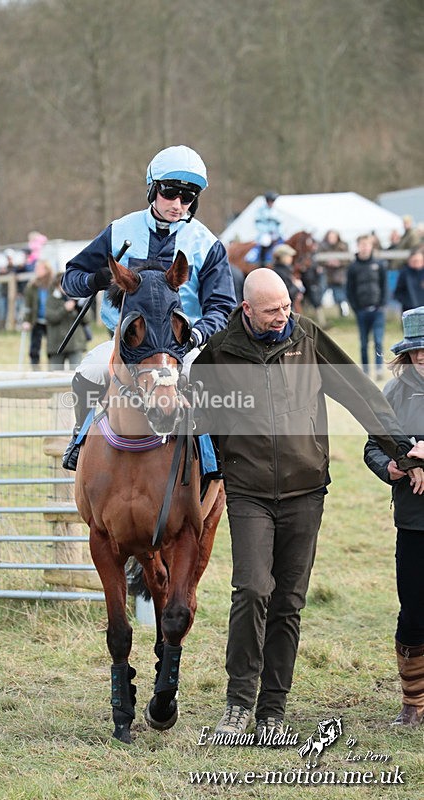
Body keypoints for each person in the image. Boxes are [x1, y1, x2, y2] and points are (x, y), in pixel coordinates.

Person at [190, 268, 424, 741]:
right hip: (249, 491)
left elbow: (360, 394)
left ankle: (273, 709)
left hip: (305, 490)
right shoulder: (218, 355)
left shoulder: (308, 339)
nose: (283, 316)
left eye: (287, 306)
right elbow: (198, 424)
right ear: (247, 310)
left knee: (288, 602)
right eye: (272, 310)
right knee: (253, 588)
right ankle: (238, 703)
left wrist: (403, 450)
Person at [60, 144, 236, 470]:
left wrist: (196, 335)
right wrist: (97, 278)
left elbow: (223, 306)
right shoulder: (119, 231)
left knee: (214, 382)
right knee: (88, 372)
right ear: (153, 189)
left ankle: (216, 462)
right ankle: (79, 440)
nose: (179, 204)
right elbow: (70, 279)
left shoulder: (206, 244)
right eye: (171, 193)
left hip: (183, 347)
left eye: (188, 197)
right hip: (129, 346)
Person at [364, 306, 424, 726]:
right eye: (417, 352)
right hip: (413, 520)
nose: (423, 359)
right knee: (414, 610)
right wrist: (393, 467)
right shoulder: (392, 395)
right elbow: (372, 446)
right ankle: (413, 704)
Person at [346, 234, 388, 380]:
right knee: (364, 343)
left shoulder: (379, 264)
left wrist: (382, 304)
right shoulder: (353, 267)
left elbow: (384, 286)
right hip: (362, 310)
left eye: (367, 244)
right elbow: (349, 289)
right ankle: (365, 371)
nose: (365, 247)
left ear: (371, 246)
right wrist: (356, 308)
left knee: (378, 341)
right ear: (358, 246)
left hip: (377, 310)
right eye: (362, 244)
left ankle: (379, 369)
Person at [46, 273, 88, 370]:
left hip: (75, 344)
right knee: (55, 376)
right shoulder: (51, 299)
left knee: (77, 373)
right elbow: (51, 317)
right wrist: (64, 309)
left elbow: (87, 319)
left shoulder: (78, 298)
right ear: (57, 285)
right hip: (56, 345)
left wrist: (79, 308)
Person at [22, 259, 54, 368]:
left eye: (38, 268)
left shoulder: (53, 284)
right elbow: (28, 306)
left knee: (52, 348)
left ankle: (53, 370)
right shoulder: (32, 286)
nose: (36, 270)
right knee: (34, 349)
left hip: (51, 321)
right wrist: (26, 320)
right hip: (37, 320)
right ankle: (35, 370)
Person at [246, 191, 283, 268]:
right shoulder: (261, 211)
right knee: (265, 241)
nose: (271, 203)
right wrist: (267, 230)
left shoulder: (276, 211)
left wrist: (278, 233)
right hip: (265, 233)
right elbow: (258, 224)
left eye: (272, 201)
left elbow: (280, 224)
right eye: (270, 201)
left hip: (275, 233)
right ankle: (262, 261)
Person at [317, 230, 350, 317]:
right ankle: (319, 313)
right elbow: (318, 259)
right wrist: (327, 263)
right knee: (320, 293)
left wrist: (339, 263)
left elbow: (348, 260)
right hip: (326, 274)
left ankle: (343, 312)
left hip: (338, 275)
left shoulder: (343, 246)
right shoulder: (322, 246)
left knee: (339, 294)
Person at [271, 244, 304, 310]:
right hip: (285, 310)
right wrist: (297, 286)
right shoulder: (280, 273)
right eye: (289, 256)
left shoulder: (284, 271)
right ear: (283, 257)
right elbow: (286, 294)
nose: (291, 258)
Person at [393, 248, 424, 313]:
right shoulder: (404, 273)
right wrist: (407, 302)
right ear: (409, 261)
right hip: (409, 311)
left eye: (418, 261)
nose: (417, 263)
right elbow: (397, 293)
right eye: (414, 261)